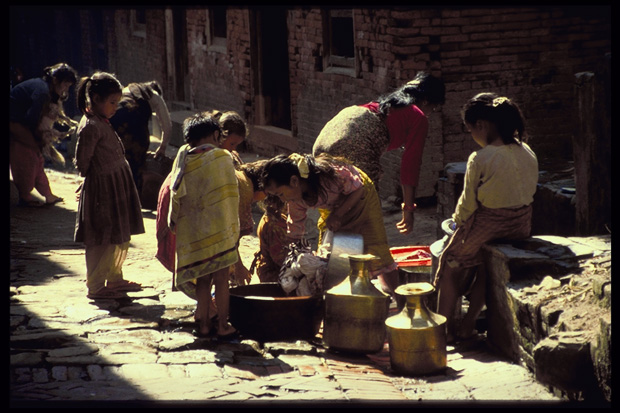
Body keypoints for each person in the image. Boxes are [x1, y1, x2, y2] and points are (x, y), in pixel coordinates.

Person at [433, 93, 538, 343]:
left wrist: (457, 223)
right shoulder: (527, 151)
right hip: (521, 223)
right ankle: (468, 325)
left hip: (490, 224)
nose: (473, 136)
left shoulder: (480, 158)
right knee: (485, 269)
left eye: (471, 130)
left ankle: (442, 331)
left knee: (449, 264)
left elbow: (468, 203)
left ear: (481, 125)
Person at [312, 71, 445, 235]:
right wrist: (408, 209)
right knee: (363, 210)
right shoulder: (418, 115)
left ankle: (330, 255)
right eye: (432, 108)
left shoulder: (385, 105)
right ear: (425, 101)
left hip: (327, 136)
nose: (430, 113)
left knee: (334, 204)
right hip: (353, 144)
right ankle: (356, 257)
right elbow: (411, 164)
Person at [259, 153, 402, 302]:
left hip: (360, 197)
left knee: (375, 247)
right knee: (334, 257)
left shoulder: (331, 176)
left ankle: (399, 299)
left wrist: (338, 214)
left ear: (294, 181)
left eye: (280, 193)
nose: (282, 199)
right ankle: (343, 300)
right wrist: (292, 254)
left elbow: (358, 189)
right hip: (334, 208)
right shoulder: (296, 199)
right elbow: (295, 228)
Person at [73, 71, 145, 300]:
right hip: (103, 189)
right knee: (101, 237)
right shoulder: (91, 126)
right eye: (112, 103)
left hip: (117, 185)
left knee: (118, 233)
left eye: (117, 102)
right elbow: (83, 162)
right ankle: (95, 284)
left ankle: (114, 277)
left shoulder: (102, 121)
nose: (115, 108)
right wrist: (90, 180)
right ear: (95, 98)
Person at [168, 111, 239, 338]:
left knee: (203, 277)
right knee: (221, 279)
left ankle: (205, 325)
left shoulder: (183, 157)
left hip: (194, 230)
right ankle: (222, 326)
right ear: (216, 134)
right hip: (218, 228)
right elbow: (230, 195)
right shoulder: (221, 157)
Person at [10, 62, 78, 207]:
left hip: (22, 123)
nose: (66, 89)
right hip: (14, 122)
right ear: (55, 80)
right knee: (30, 158)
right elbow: (31, 118)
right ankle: (25, 195)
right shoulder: (42, 91)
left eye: (68, 86)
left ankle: (47, 195)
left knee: (37, 158)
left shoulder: (45, 89)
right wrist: (37, 138)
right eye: (65, 85)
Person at [109, 80, 172, 195]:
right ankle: (134, 196)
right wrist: (162, 147)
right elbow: (166, 124)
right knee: (136, 163)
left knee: (118, 161)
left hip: (115, 122)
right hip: (135, 124)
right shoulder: (153, 94)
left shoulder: (126, 89)